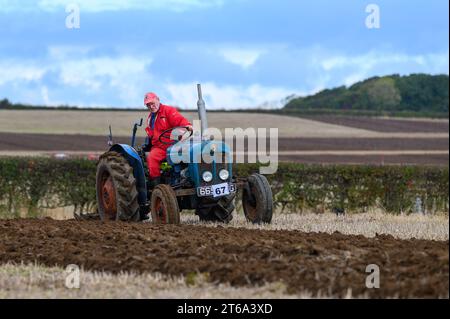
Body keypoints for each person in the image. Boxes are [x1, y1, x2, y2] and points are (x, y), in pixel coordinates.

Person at [143, 92, 192, 187]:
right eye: (148, 105)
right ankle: (157, 186)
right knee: (151, 158)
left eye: (152, 103)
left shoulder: (168, 111)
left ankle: (184, 178)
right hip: (159, 147)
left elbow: (180, 120)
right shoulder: (150, 118)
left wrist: (187, 126)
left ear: (158, 99)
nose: (151, 106)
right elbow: (152, 135)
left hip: (173, 145)